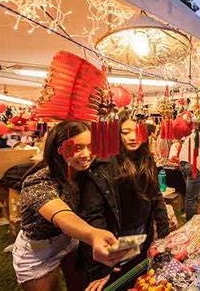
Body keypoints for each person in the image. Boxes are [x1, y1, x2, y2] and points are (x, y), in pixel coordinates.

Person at [12, 121, 124, 291]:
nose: (86, 154)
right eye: (77, 148)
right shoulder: (39, 182)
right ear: (59, 150)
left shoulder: (85, 172)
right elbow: (63, 215)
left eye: (90, 146)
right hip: (38, 253)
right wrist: (93, 234)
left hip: (71, 242)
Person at [79, 114, 170, 290]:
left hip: (142, 234)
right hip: (116, 238)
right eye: (125, 132)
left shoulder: (146, 159)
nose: (133, 137)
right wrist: (101, 268)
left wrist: (164, 236)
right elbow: (93, 214)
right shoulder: (104, 165)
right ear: (116, 135)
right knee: (117, 279)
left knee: (137, 279)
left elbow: (156, 197)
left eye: (137, 131)